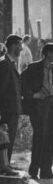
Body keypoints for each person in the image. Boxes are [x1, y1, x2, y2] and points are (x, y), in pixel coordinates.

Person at [22, 43, 53, 180]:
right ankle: (34, 170)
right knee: (39, 135)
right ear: (46, 53)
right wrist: (33, 95)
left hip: (50, 104)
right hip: (38, 105)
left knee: (49, 136)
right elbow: (22, 82)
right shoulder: (34, 67)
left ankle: (46, 170)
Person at [0, 34, 23, 162]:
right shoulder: (4, 64)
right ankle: (4, 167)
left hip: (12, 109)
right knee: (6, 139)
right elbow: (1, 90)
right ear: (13, 45)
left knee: (9, 139)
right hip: (7, 110)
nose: (21, 48)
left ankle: (6, 165)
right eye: (20, 45)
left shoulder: (9, 63)